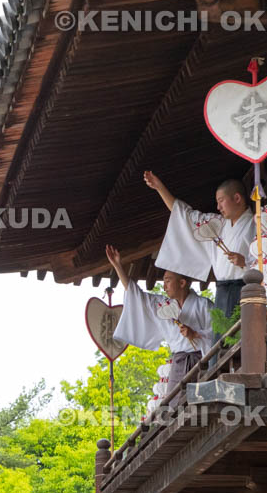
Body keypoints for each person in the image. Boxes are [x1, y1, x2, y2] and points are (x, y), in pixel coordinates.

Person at [142, 170, 254, 340]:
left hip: (244, 289)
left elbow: (266, 261)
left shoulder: (256, 224)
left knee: (239, 341)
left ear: (237, 198)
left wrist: (245, 263)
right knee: (221, 344)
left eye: (221, 201)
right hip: (222, 290)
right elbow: (185, 215)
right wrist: (159, 188)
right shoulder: (218, 225)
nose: (218, 207)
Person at [104, 244, 214, 401]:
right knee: (174, 408)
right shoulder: (163, 305)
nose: (164, 286)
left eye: (168, 281)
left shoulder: (204, 305)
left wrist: (195, 334)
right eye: (164, 281)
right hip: (178, 362)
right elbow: (136, 294)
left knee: (200, 406)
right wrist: (118, 266)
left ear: (182, 283)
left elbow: (219, 334)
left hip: (200, 360)